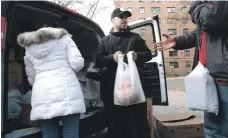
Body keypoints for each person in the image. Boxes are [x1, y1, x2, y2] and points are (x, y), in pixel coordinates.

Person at [154, 1, 228, 137]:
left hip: (224, 79)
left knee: (223, 130)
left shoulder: (214, 8)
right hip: (211, 78)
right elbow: (201, 32)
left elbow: (210, 18)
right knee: (212, 130)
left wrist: (195, 6)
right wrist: (177, 41)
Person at [17, 27, 85, 138]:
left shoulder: (29, 47)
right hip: (67, 92)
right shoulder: (65, 39)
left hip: (42, 94)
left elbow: (31, 77)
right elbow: (77, 64)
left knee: (49, 134)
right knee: (71, 134)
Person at [96, 8, 152, 138]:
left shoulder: (135, 38)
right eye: (121, 16)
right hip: (112, 90)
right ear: (112, 20)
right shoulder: (105, 41)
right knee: (116, 123)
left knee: (138, 121)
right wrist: (112, 58)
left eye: (126, 17)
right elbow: (98, 60)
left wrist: (137, 56)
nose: (124, 19)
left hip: (134, 88)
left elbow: (148, 54)